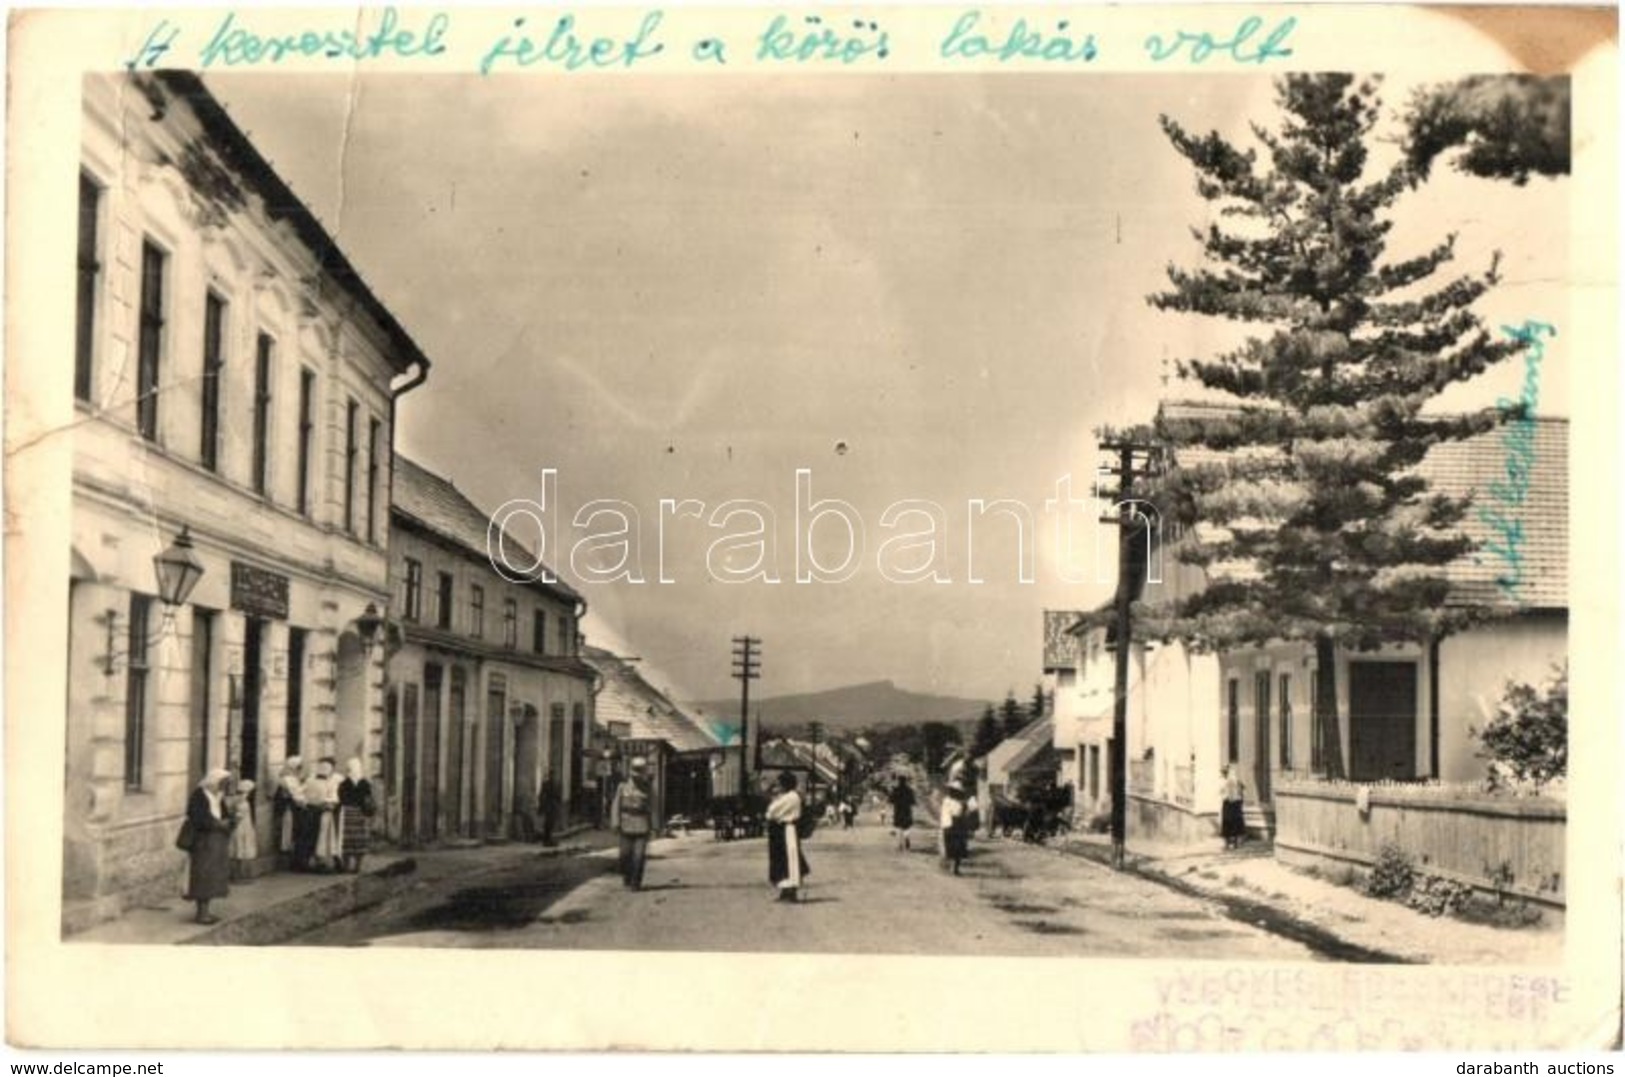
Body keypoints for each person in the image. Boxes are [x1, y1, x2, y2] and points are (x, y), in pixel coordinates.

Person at [183, 769, 235, 924]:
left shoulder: (218, 797)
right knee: (203, 877)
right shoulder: (199, 796)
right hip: (203, 842)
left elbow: (224, 815)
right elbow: (197, 818)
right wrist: (217, 823)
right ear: (214, 781)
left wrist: (230, 821)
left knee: (213, 877)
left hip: (216, 842)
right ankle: (201, 913)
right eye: (223, 783)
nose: (224, 786)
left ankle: (206, 911)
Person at [765, 770, 810, 902]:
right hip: (782, 830)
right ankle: (786, 890)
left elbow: (771, 811)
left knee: (789, 859)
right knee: (782, 859)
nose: (778, 787)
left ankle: (791, 891)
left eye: (780, 784)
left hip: (787, 829)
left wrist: (772, 806)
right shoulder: (789, 796)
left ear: (785, 784)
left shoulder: (791, 797)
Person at [610, 758, 653, 890]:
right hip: (626, 825)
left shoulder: (647, 788)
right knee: (625, 855)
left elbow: (653, 807)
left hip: (642, 825)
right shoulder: (622, 787)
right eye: (636, 771)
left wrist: (655, 826)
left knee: (639, 857)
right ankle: (627, 877)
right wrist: (615, 823)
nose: (637, 775)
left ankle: (636, 882)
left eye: (640, 771)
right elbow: (616, 805)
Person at [303, 758, 342, 873]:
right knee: (320, 837)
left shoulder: (311, 780)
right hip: (320, 812)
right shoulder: (315, 781)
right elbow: (334, 798)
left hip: (317, 811)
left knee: (319, 837)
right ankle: (319, 862)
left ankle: (318, 862)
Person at [337, 758, 375, 874]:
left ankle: (346, 864)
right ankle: (357, 866)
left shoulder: (343, 784)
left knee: (346, 840)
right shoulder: (365, 783)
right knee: (359, 840)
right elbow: (368, 799)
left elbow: (341, 798)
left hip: (347, 813)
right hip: (360, 813)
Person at [274, 757, 305, 870]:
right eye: (299, 767)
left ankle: (290, 860)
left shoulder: (293, 778)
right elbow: (295, 794)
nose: (300, 770)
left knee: (291, 833)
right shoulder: (288, 779)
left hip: (293, 808)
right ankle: (287, 862)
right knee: (288, 833)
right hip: (289, 810)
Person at [940, 784, 977, 875]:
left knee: (955, 847)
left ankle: (953, 867)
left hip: (951, 825)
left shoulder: (948, 801)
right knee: (956, 847)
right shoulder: (955, 802)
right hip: (955, 824)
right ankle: (954, 867)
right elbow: (965, 811)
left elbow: (972, 808)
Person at [227, 778, 257, 882]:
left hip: (244, 826)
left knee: (239, 850)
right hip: (242, 827)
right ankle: (238, 875)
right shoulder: (242, 801)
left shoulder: (239, 799)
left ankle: (239, 875)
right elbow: (238, 815)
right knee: (239, 849)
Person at [1221, 765, 1247, 849]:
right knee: (1232, 822)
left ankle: (1230, 843)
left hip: (1231, 802)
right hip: (1234, 802)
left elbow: (1242, 788)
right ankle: (1233, 843)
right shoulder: (1234, 780)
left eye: (1225, 772)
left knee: (1230, 822)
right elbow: (1243, 788)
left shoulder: (1229, 780)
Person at [889, 776, 916, 851]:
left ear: (899, 781)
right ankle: (906, 837)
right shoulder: (909, 790)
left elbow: (891, 800)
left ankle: (900, 844)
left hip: (898, 810)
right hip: (907, 810)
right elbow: (913, 802)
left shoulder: (896, 790)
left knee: (898, 826)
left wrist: (895, 801)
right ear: (906, 781)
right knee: (906, 826)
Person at [536, 775, 559, 846]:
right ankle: (547, 840)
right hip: (549, 808)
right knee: (548, 824)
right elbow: (542, 798)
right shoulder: (547, 790)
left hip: (550, 807)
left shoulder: (546, 789)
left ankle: (548, 839)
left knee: (549, 824)